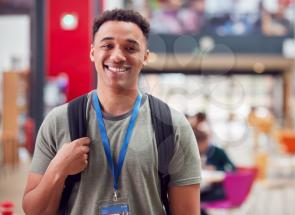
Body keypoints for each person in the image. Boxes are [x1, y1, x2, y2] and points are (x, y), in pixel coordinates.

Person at [22, 9, 201, 215]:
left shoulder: (172, 125)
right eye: (107, 46)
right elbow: (33, 211)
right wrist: (58, 169)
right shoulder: (58, 121)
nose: (117, 56)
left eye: (130, 48)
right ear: (92, 52)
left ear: (145, 57)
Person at [193, 128, 235, 215]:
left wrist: (216, 168)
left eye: (206, 142)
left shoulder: (218, 151)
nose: (205, 145)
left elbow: (232, 168)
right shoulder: (195, 154)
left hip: (220, 190)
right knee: (193, 199)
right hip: (204, 187)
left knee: (195, 200)